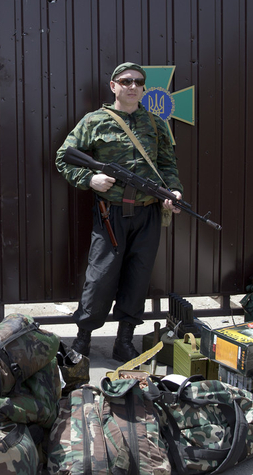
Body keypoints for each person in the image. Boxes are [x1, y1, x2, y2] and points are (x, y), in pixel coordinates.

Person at [55, 62, 183, 362]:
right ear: (114, 86)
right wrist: (89, 179)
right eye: (126, 81)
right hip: (110, 213)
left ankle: (124, 340)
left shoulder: (155, 124)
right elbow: (64, 158)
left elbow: (168, 165)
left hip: (148, 213)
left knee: (138, 278)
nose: (133, 86)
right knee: (99, 278)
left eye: (139, 82)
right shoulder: (94, 121)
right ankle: (83, 340)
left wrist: (173, 192)